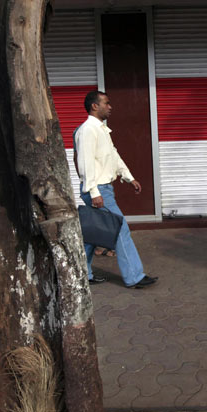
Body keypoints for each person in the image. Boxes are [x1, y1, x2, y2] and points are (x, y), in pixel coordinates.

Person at [74, 90, 158, 289]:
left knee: (94, 234)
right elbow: (85, 165)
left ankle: (81, 275)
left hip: (103, 189)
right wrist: (94, 193)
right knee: (120, 229)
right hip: (98, 190)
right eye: (106, 103)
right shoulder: (87, 130)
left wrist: (129, 178)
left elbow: (113, 156)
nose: (110, 106)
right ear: (95, 106)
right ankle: (134, 276)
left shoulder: (102, 129)